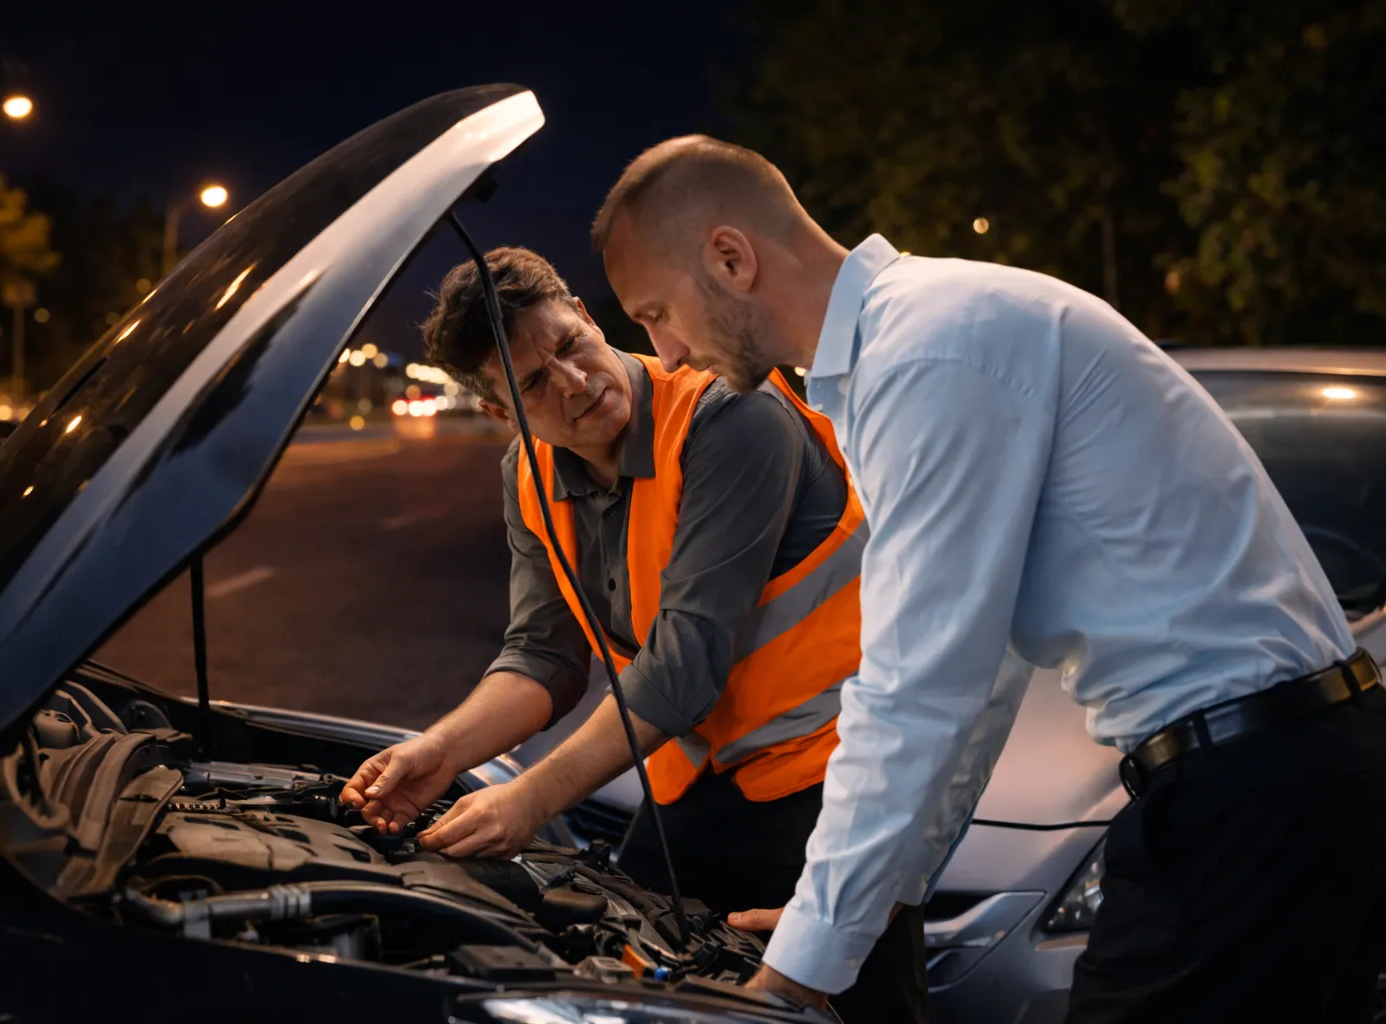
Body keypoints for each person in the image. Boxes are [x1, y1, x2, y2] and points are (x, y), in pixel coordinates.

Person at [589, 135, 1386, 1021]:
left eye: (656, 313)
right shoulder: (927, 333)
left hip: (1246, 797)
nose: (663, 353)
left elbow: (915, 689)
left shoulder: (928, 355)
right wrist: (870, 901)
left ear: (731, 258)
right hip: (1294, 774)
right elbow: (981, 681)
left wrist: (797, 972)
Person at [339, 247, 928, 1020]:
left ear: (585, 313)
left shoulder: (732, 415)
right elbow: (544, 657)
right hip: (693, 778)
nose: (576, 384)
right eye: (535, 384)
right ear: (499, 413)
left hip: (836, 784)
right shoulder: (530, 476)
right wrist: (440, 754)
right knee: (640, 987)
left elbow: (684, 666)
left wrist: (526, 799)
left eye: (569, 345)